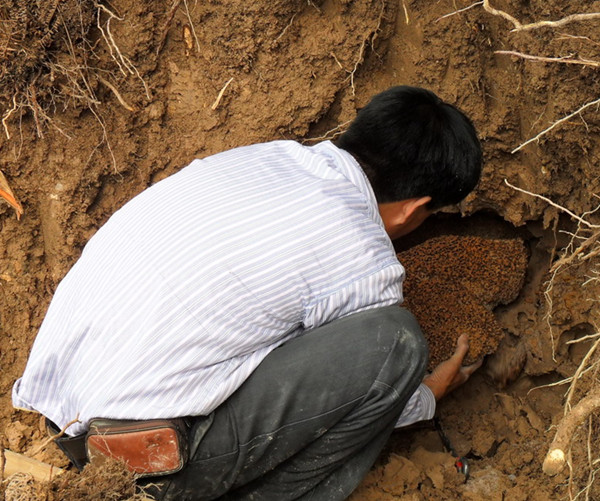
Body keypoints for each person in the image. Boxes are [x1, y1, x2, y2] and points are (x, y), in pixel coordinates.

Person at [13, 86, 483, 500]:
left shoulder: (266, 157)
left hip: (62, 413)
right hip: (145, 462)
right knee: (397, 343)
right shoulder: (367, 262)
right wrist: (428, 393)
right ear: (416, 208)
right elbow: (364, 387)